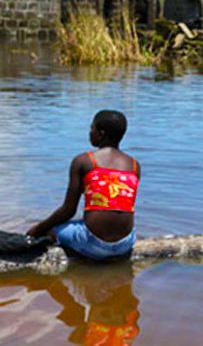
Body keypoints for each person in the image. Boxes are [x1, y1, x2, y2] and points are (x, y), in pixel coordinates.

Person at [27, 110, 140, 261]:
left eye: (91, 128)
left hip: (93, 243)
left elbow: (68, 210)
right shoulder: (134, 165)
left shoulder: (84, 161)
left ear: (101, 133)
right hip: (126, 244)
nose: (89, 132)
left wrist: (37, 230)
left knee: (51, 230)